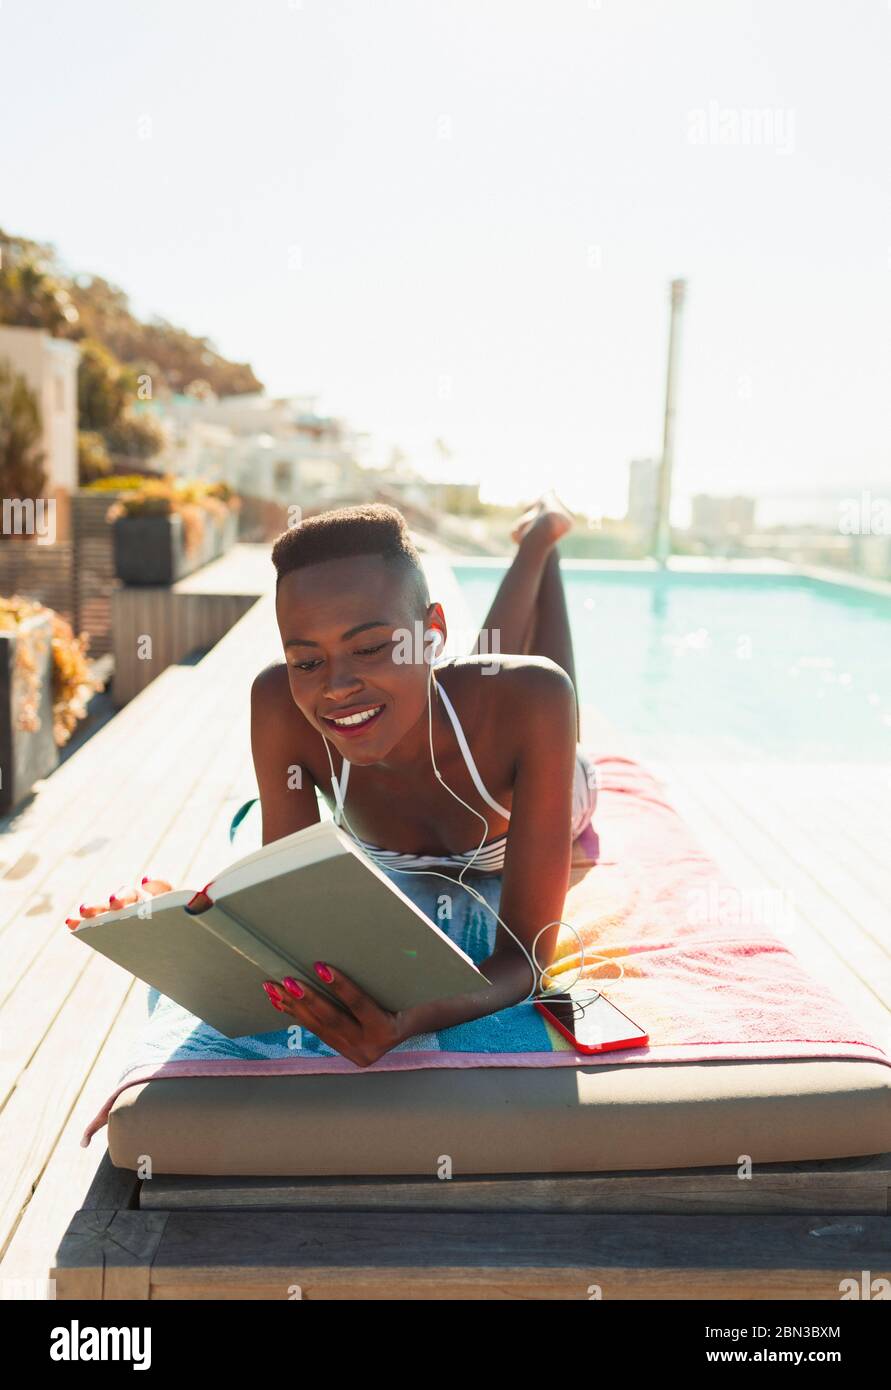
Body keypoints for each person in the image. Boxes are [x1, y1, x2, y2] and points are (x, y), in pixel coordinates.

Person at [66, 493, 597, 1067]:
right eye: (307, 661)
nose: (337, 686)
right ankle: (531, 544)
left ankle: (542, 540)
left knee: (538, 685)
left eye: (369, 647)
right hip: (448, 705)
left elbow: (524, 957)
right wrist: (196, 922)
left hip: (536, 801)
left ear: (429, 629)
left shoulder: (531, 705)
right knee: (475, 677)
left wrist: (411, 1018)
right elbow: (289, 906)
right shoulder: (279, 705)